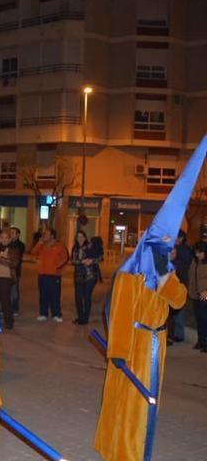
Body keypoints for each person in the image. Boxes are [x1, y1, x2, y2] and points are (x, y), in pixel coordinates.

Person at [95, 136, 206, 461]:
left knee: (144, 403)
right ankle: (124, 451)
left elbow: (179, 301)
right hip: (133, 347)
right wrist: (117, 353)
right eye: (166, 247)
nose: (170, 251)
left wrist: (165, 276)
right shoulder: (129, 274)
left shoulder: (164, 272)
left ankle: (130, 447)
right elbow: (118, 313)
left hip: (155, 344)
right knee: (129, 401)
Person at [31, 228, 69, 322]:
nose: (44, 235)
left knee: (55, 295)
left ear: (52, 236)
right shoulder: (42, 245)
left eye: (47, 234)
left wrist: (57, 267)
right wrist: (39, 243)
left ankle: (56, 314)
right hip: (42, 274)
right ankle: (43, 313)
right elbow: (33, 252)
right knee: (43, 295)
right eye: (44, 234)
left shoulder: (59, 245)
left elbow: (65, 258)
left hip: (54, 275)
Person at [167, 230, 193, 343]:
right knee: (174, 310)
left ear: (181, 238)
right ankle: (175, 334)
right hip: (177, 283)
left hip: (180, 283)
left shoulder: (183, 250)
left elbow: (182, 265)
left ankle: (177, 335)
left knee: (177, 310)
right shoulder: (183, 249)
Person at [71, 230, 101, 325]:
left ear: (85, 237)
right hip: (78, 276)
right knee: (78, 297)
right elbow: (73, 260)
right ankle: (80, 317)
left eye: (81, 237)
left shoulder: (90, 246)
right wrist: (82, 261)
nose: (79, 239)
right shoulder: (75, 248)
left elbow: (100, 257)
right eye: (78, 237)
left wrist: (91, 261)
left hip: (90, 276)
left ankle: (85, 318)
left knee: (86, 297)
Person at [189, 242, 207, 352]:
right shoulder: (194, 261)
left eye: (200, 253)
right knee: (199, 319)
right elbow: (191, 277)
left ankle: (205, 342)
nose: (197, 255)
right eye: (196, 253)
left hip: (205, 295)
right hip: (195, 295)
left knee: (205, 319)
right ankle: (201, 341)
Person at [8, 227, 25, 316]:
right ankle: (7, 307)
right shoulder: (8, 243)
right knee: (7, 289)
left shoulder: (20, 245)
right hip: (6, 270)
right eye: (10, 232)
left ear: (18, 235)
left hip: (15, 270)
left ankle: (15, 308)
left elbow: (17, 255)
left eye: (13, 233)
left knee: (14, 290)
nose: (11, 234)